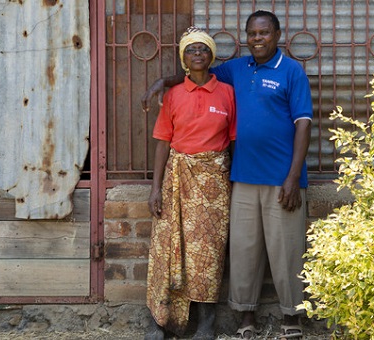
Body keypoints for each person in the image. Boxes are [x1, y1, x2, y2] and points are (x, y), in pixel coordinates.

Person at [142, 10, 312, 340]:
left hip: (282, 179)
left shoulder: (292, 72)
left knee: (287, 249)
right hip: (244, 178)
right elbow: (197, 73)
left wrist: (293, 177)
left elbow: (303, 124)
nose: (258, 38)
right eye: (252, 33)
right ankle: (245, 316)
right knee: (244, 250)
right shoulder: (237, 68)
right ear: (245, 37)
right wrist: (162, 82)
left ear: (277, 35)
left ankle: (293, 317)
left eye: (264, 33)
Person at [145, 27, 236, 340]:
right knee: (166, 248)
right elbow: (162, 142)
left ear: (211, 56)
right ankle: (160, 322)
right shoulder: (173, 95)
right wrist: (156, 188)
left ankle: (206, 324)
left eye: (203, 49)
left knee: (208, 252)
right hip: (176, 179)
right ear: (183, 58)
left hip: (214, 183)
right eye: (191, 50)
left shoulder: (227, 92)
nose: (198, 54)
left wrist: (235, 182)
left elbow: (235, 142)